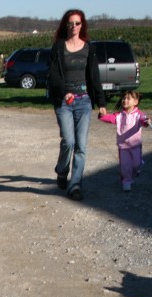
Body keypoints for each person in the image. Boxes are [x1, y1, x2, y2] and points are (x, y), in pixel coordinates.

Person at [47, 9, 107, 201]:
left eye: (78, 23)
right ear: (65, 25)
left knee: (81, 145)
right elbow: (54, 75)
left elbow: (94, 76)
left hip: (84, 101)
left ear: (82, 25)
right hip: (64, 102)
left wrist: (101, 102)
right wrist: (65, 92)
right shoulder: (58, 47)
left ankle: (75, 185)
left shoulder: (89, 48)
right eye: (71, 23)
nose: (74, 27)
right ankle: (62, 171)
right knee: (68, 142)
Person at [99, 90, 151, 192]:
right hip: (123, 146)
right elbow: (110, 118)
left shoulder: (139, 114)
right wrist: (101, 116)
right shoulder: (119, 115)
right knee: (125, 166)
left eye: (128, 98)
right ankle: (126, 181)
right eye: (123, 98)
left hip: (135, 145)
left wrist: (146, 121)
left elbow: (143, 120)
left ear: (135, 102)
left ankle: (136, 169)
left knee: (136, 165)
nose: (124, 100)